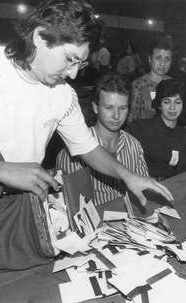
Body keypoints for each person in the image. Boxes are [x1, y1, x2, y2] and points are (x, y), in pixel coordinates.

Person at [0, 0, 172, 264]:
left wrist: (127, 176)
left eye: (79, 64)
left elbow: (87, 147)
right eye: (69, 59)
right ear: (40, 38)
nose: (71, 73)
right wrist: (0, 170)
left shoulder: (62, 94)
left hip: (15, 205)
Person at [56, 73, 149, 205]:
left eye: (122, 108)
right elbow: (72, 207)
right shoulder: (72, 153)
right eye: (109, 108)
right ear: (95, 107)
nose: (116, 116)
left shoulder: (134, 145)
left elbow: (144, 192)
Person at [128, 79, 186, 180]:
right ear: (159, 105)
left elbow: (184, 175)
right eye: (167, 102)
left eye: (177, 102)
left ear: (184, 105)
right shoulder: (139, 129)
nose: (172, 107)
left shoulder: (185, 137)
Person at [128, 35, 173, 123]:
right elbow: (132, 118)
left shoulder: (172, 83)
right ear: (150, 59)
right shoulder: (139, 85)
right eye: (158, 58)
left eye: (167, 59)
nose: (162, 63)